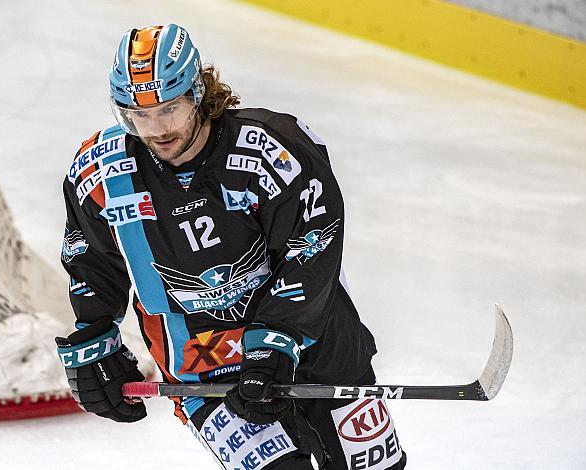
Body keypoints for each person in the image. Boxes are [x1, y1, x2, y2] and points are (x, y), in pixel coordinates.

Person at [56, 24, 407, 470]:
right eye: (138, 114)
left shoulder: (272, 147)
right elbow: (91, 260)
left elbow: (311, 248)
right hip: (202, 355)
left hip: (317, 341)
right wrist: (94, 338)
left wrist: (275, 341)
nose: (157, 129)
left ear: (198, 93)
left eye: (169, 109)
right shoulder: (101, 171)